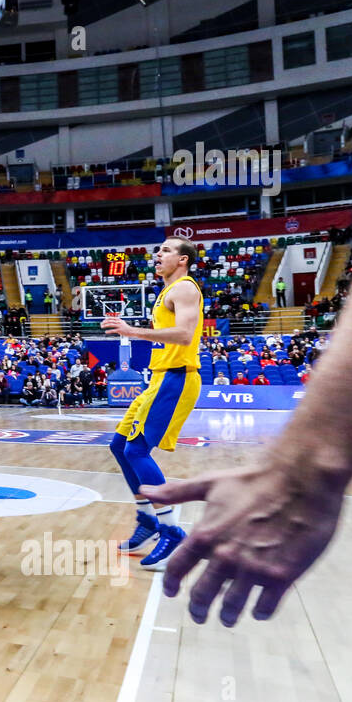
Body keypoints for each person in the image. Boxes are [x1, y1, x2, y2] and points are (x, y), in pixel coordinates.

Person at [140, 0, 352, 627]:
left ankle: (153, 525)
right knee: (125, 450)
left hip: (177, 372)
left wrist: (308, 466)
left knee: (130, 450)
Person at [103, 237, 203, 571]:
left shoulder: (185, 289)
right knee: (119, 446)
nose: (158, 254)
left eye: (167, 250)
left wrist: (133, 331)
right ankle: (147, 520)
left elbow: (185, 336)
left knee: (137, 451)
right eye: (157, 250)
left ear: (184, 260)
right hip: (159, 378)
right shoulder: (166, 291)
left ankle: (171, 531)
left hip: (177, 378)